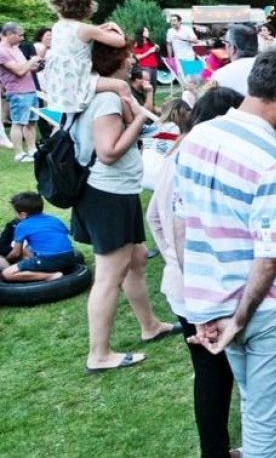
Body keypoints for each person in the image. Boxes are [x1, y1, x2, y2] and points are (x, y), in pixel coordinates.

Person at [176, 49, 276, 458]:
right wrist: (239, 319)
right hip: (265, 309)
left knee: (255, 405)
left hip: (214, 301)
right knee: (264, 423)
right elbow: (270, 256)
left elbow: (184, 223)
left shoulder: (197, 136)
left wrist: (203, 305)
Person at [147, 87, 243, 458]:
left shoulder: (176, 154)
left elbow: (155, 216)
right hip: (204, 291)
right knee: (218, 374)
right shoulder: (203, 157)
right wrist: (184, 263)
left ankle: (217, 449)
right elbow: (184, 227)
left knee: (212, 373)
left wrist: (171, 257)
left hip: (184, 286)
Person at [73, 40, 177, 372]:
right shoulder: (105, 99)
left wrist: (135, 108)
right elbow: (108, 151)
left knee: (136, 258)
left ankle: (150, 326)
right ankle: (99, 354)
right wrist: (138, 121)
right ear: (113, 62)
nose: (132, 59)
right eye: (127, 56)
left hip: (118, 192)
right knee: (108, 275)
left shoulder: (108, 95)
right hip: (107, 195)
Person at [39, 0, 136, 115]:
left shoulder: (58, 27)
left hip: (62, 83)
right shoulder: (87, 30)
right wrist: (114, 25)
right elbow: (120, 42)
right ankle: (133, 122)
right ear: (87, 7)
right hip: (80, 80)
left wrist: (99, 28)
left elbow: (80, 34)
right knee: (122, 86)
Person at [0, 192, 75, 282]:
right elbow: (64, 233)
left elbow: (16, 253)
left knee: (7, 274)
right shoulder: (54, 219)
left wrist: (6, 260)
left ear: (23, 214)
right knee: (27, 249)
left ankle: (50, 275)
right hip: (69, 257)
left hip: (49, 260)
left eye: (16, 212)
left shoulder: (22, 226)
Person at [0, 23, 42, 162]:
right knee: (18, 122)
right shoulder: (2, 51)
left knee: (31, 122)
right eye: (19, 35)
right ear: (10, 34)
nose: (22, 38)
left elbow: (26, 68)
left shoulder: (16, 49)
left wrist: (38, 65)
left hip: (30, 89)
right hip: (18, 92)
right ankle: (19, 154)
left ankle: (32, 151)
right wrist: (32, 60)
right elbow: (19, 71)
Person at [210, 24, 259, 96]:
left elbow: (207, 96)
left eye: (226, 43)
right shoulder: (271, 69)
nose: (225, 47)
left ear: (232, 48)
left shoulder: (220, 75)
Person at [131, 26, 160, 110]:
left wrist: (156, 48)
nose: (148, 32)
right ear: (141, 33)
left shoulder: (149, 42)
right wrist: (150, 51)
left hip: (154, 66)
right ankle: (145, 105)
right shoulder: (137, 43)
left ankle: (152, 106)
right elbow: (137, 57)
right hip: (144, 67)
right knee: (146, 87)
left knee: (153, 87)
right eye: (146, 31)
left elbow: (155, 51)